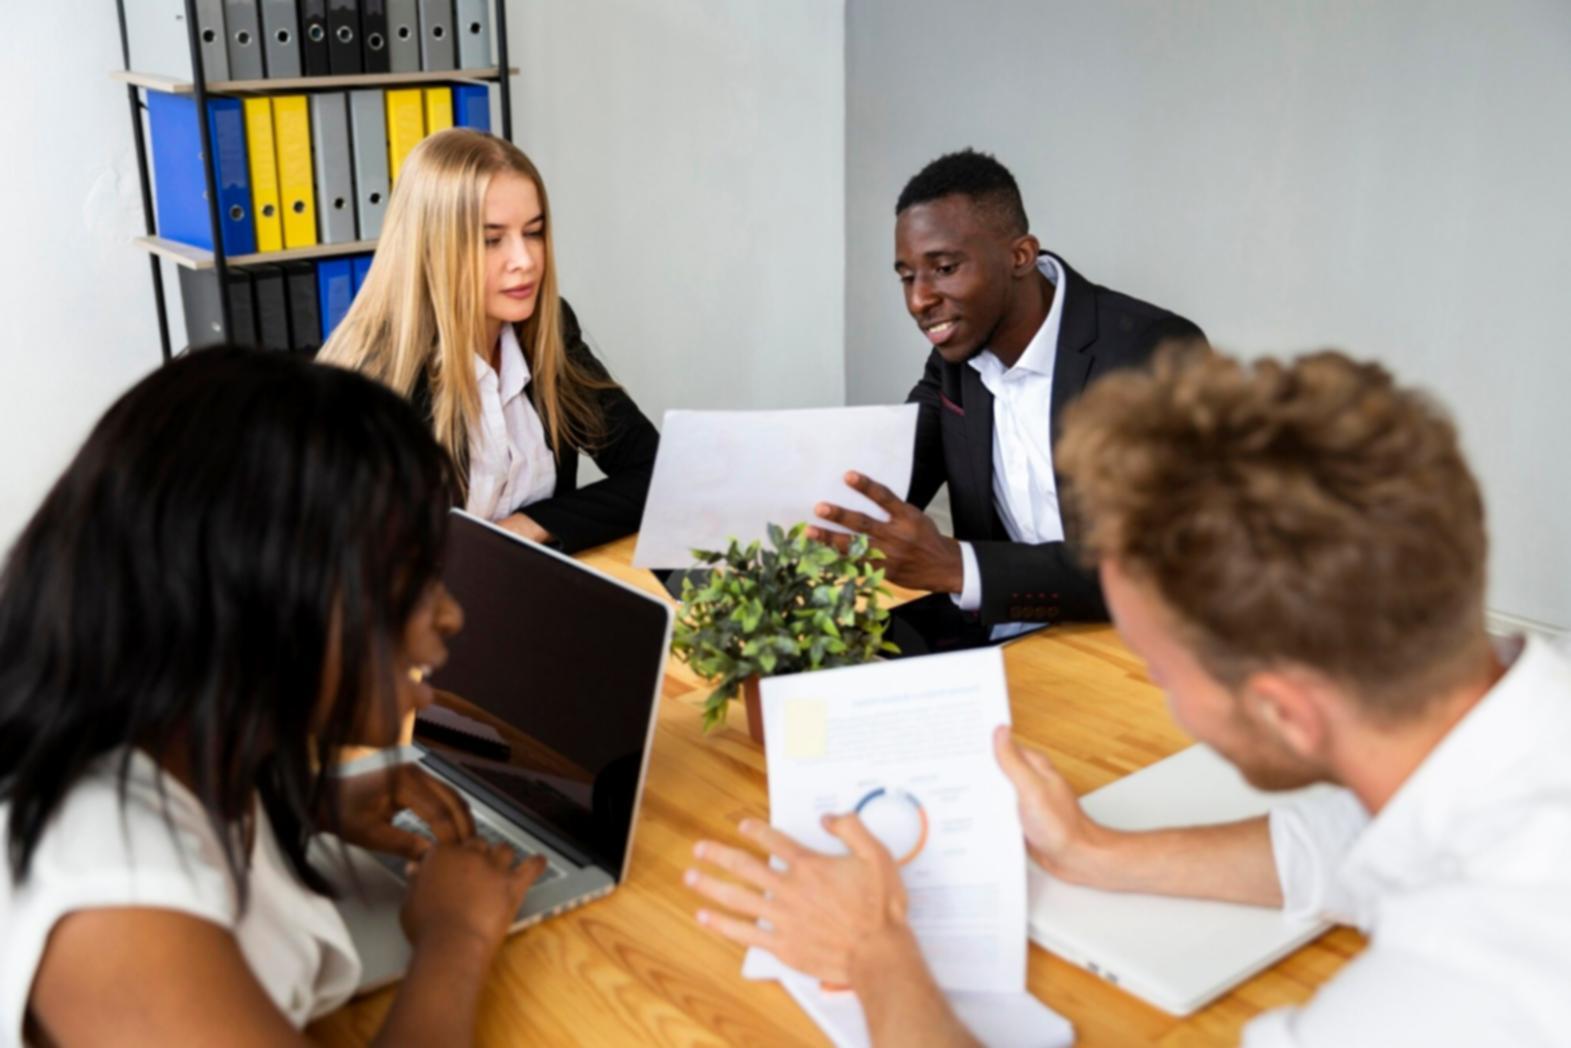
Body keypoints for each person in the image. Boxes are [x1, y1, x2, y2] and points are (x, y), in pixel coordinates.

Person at [688, 348, 1571, 1046]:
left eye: (1156, 666)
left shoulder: (1457, 999)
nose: (1158, 687)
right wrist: (1087, 850)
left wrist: (872, 951)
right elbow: (1354, 839)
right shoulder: (1502, 724)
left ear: (1283, 710)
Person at [0, 348, 549, 1044]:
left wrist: (301, 807)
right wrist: (457, 937)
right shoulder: (116, 904)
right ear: (262, 600)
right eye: (410, 577)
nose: (449, 614)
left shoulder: (160, 742)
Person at [811, 149, 1203, 626]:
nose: (918, 300)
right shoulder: (956, 359)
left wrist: (959, 567)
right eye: (908, 276)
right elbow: (887, 480)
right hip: (1014, 638)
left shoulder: (1151, 352)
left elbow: (1158, 565)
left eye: (945, 268)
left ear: (1020, 256)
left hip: (1136, 644)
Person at [320, 128, 659, 554]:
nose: (525, 261)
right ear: (432, 248)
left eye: (533, 232)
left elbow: (655, 472)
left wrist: (528, 526)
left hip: (528, 594)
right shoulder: (370, 378)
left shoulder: (547, 328)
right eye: (492, 240)